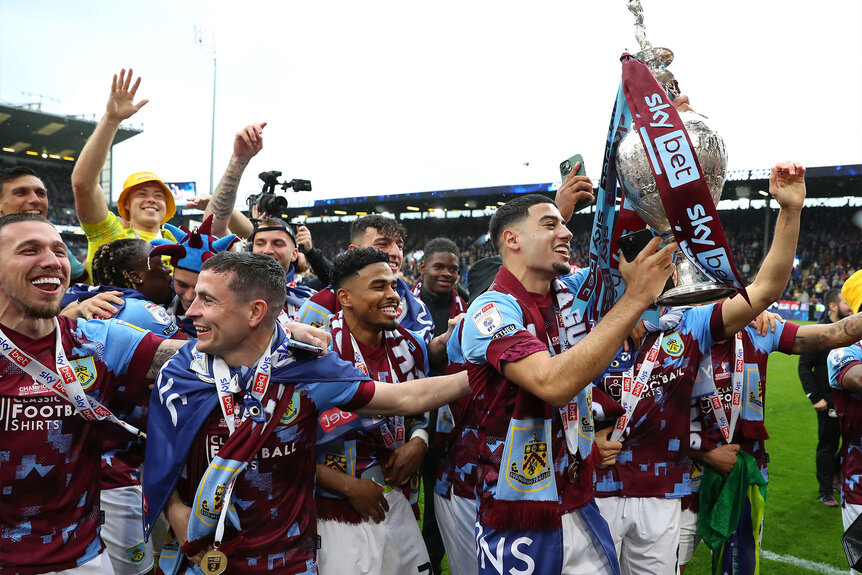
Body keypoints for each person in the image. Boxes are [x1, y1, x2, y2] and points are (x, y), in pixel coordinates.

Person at [142, 252, 470, 575]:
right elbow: (160, 450)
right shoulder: (179, 371)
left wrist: (489, 370)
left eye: (206, 300)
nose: (191, 310)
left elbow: (402, 399)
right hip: (202, 556)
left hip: (289, 559)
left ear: (255, 311)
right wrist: (174, 509)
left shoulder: (305, 368)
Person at [592, 161, 806, 575]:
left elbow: (764, 290)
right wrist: (583, 440)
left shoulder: (691, 324)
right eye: (646, 255)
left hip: (662, 493)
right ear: (618, 264)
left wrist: (790, 211)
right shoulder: (585, 320)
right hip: (591, 488)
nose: (660, 265)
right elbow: (541, 387)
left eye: (667, 258)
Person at [460, 192, 676, 574]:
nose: (566, 232)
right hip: (520, 517)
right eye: (550, 224)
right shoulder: (490, 309)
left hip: (579, 500)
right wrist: (637, 297)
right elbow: (552, 383)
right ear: (512, 240)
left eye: (564, 223)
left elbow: (612, 248)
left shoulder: (570, 292)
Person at [0, 213, 188, 575]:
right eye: (29, 250)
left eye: (58, 250)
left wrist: (286, 335)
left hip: (84, 559)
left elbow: (199, 357)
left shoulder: (97, 340)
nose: (52, 260)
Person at [314, 248, 433, 574]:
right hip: (332, 509)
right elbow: (283, 446)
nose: (393, 295)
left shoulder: (410, 345)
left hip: (396, 499)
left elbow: (420, 411)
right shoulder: (316, 352)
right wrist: (348, 487)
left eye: (394, 286)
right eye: (379, 286)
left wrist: (419, 441)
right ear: (346, 297)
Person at [71, 69, 179, 277]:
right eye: (141, 194)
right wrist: (111, 119)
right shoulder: (111, 235)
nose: (152, 200)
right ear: (126, 204)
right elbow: (83, 184)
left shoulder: (181, 245)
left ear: (167, 205)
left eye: (159, 195)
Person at [410, 237, 466, 574]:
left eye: (454, 269)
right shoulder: (403, 306)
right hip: (405, 409)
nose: (447, 274)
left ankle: (431, 562)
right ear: (422, 268)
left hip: (448, 417)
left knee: (437, 504)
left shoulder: (469, 307)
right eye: (440, 267)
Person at [298, 215, 435, 347]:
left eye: (399, 246)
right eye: (382, 244)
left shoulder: (418, 311)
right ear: (354, 251)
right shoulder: (320, 304)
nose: (395, 253)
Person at [797, 287, 850, 506]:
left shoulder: (851, 330)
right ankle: (825, 490)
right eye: (846, 302)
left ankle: (837, 474)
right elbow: (804, 367)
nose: (851, 305)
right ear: (833, 306)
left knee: (849, 443)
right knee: (827, 444)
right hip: (828, 401)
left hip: (850, 401)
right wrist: (814, 397)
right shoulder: (819, 332)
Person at [149, 214, 240, 335]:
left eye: (200, 289)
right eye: (182, 284)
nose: (190, 297)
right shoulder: (157, 299)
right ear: (173, 275)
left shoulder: (233, 321)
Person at [0, 166, 88, 283]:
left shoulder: (55, 244)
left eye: (40, 193)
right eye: (21, 193)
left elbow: (83, 282)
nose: (35, 200)